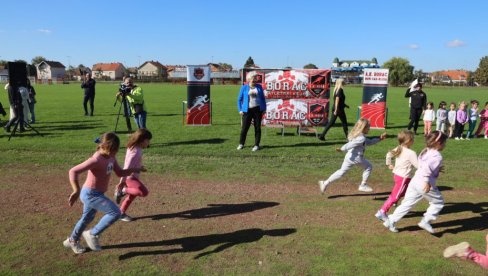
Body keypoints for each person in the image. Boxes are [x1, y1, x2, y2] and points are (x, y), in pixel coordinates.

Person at [63, 132, 145, 254]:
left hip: (97, 194)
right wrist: (76, 190)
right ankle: (92, 234)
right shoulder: (96, 159)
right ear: (106, 147)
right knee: (115, 212)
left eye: (116, 150)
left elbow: (120, 172)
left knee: (86, 218)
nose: (115, 153)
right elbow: (73, 171)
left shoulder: (110, 157)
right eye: (114, 150)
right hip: (90, 194)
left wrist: (136, 169)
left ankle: (72, 240)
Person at [383, 130, 447, 234]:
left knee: (407, 203)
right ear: (439, 143)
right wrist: (426, 181)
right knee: (438, 202)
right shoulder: (437, 156)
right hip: (424, 183)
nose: (445, 145)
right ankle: (426, 221)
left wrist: (436, 169)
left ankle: (391, 221)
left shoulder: (425, 150)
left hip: (415, 181)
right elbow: (426, 168)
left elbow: (423, 164)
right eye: (444, 143)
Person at [318, 118, 387, 193]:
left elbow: (369, 142)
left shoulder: (359, 136)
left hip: (349, 157)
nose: (369, 128)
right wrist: (342, 149)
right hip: (356, 158)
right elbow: (350, 144)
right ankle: (363, 185)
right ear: (363, 128)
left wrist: (380, 138)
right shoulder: (361, 138)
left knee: (341, 172)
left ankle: (325, 183)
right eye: (368, 127)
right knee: (368, 166)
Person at [375, 130, 418, 222]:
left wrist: (389, 164)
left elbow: (388, 154)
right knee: (395, 196)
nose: (414, 140)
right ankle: (382, 212)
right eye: (413, 138)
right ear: (408, 140)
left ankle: (396, 203)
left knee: (405, 193)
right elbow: (418, 166)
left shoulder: (399, 148)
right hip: (403, 178)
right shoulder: (411, 153)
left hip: (398, 176)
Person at [114, 128, 153, 222]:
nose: (149, 142)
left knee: (132, 195)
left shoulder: (134, 147)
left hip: (133, 176)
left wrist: (140, 167)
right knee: (143, 192)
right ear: (142, 140)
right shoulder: (135, 152)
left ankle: (121, 213)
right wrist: (122, 183)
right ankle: (123, 191)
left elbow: (132, 163)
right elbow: (126, 168)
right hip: (130, 177)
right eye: (148, 140)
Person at [237, 72, 267, 152]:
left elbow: (263, 99)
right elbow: (239, 99)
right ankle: (241, 144)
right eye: (253, 77)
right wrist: (240, 110)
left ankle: (256, 145)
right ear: (249, 79)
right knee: (244, 128)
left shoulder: (259, 87)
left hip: (257, 110)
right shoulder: (244, 88)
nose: (255, 79)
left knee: (257, 128)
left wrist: (264, 109)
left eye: (256, 78)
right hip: (247, 110)